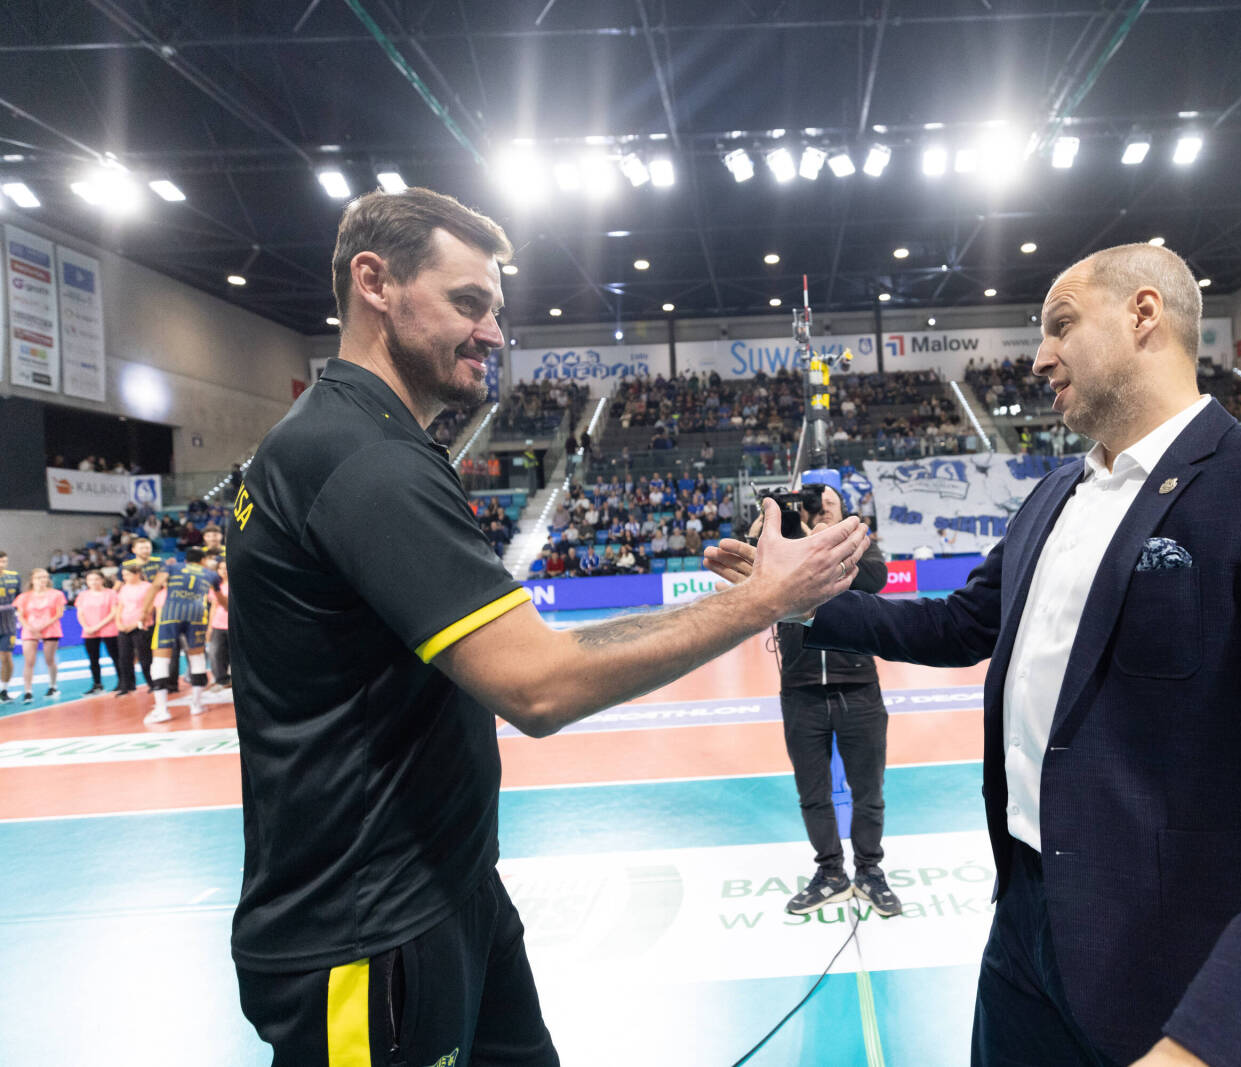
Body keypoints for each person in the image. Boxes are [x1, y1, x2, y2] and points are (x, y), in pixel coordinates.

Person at [708, 243, 1241, 1067]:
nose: (1038, 356)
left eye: (1060, 325)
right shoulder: (1054, 493)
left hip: (1178, 959)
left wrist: (1239, 1033)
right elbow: (960, 624)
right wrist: (802, 602)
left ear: (1143, 314)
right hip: (1024, 923)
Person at [226, 186, 868, 1067]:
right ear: (374, 283)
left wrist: (753, 594)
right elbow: (540, 685)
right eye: (468, 302)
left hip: (445, 891)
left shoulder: (364, 442)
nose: (493, 332)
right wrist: (759, 602)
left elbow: (537, 651)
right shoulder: (358, 456)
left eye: (494, 308)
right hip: (369, 933)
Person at [748, 485, 901, 917]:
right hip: (801, 691)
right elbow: (751, 573)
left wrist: (827, 537)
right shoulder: (787, 549)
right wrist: (770, 528)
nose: (820, 510)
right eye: (814, 506)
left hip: (858, 687)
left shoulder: (857, 540)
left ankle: (869, 871)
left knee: (868, 792)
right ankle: (831, 873)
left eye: (828, 504)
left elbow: (874, 579)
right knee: (812, 793)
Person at [140, 546, 222, 725]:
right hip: (197, 616)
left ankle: (161, 710)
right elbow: (221, 599)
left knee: (160, 660)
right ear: (203, 560)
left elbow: (155, 586)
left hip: (171, 614)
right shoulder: (211, 574)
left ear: (186, 560)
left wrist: (144, 611)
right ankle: (196, 705)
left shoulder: (172, 567)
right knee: (197, 659)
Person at [14, 569, 66, 703]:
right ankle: (28, 691)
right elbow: (21, 616)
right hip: (30, 631)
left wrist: (42, 627)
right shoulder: (23, 597)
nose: (42, 580)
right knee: (29, 661)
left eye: (45, 577)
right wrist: (31, 628)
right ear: (32, 579)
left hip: (50, 629)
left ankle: (53, 686)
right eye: (39, 577)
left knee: (49, 659)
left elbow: (59, 614)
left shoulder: (56, 594)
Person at [74, 570, 119, 694]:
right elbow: (80, 613)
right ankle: (97, 684)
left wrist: (98, 626)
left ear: (102, 580)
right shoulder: (83, 595)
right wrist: (86, 627)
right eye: (90, 580)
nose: (93, 582)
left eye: (96, 579)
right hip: (89, 631)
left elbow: (114, 612)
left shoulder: (111, 593)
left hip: (109, 629)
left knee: (115, 656)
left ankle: (123, 682)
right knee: (93, 659)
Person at [114, 561, 152, 695]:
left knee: (144, 657)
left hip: (141, 626)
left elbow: (150, 608)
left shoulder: (147, 587)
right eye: (124, 575)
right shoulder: (124, 588)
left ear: (137, 574)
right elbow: (120, 606)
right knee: (124, 657)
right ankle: (127, 685)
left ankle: (152, 683)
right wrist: (118, 623)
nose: (125, 578)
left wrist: (136, 624)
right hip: (124, 626)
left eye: (128, 575)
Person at [204, 558, 231, 695]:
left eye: (226, 568)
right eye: (221, 568)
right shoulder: (216, 586)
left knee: (236, 655)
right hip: (218, 625)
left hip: (234, 625)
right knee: (215, 654)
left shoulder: (237, 583)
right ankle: (222, 680)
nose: (224, 571)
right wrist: (210, 627)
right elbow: (213, 607)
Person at [0, 551, 18, 703]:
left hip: (8, 624)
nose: (1, 564)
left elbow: (19, 598)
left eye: (4, 561)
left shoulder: (14, 577)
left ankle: (4, 690)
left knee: (6, 657)